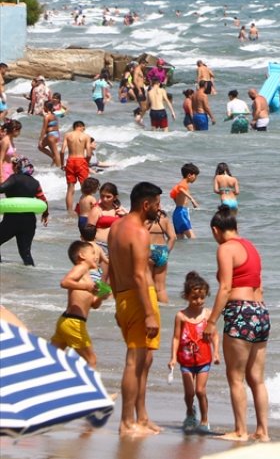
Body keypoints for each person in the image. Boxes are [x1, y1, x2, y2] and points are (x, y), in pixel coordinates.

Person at [205, 206, 270, 442]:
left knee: (235, 377)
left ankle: (240, 430)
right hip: (261, 312)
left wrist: (211, 321)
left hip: (240, 311)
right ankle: (263, 431)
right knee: (257, 379)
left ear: (216, 230)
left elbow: (225, 288)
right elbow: (258, 284)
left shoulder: (225, 248)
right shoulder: (251, 247)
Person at [107, 181, 165, 436]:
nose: (159, 209)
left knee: (145, 360)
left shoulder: (115, 228)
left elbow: (112, 268)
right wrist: (150, 313)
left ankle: (141, 417)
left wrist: (117, 303)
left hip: (124, 299)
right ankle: (126, 422)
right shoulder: (139, 232)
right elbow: (141, 275)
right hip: (141, 300)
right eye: (157, 204)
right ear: (145, 204)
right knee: (134, 361)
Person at [168, 271, 219, 435]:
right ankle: (190, 413)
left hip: (204, 360)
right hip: (186, 361)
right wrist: (173, 357)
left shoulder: (208, 314)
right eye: (195, 298)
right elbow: (176, 338)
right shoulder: (181, 316)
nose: (199, 301)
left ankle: (204, 420)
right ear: (187, 297)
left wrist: (216, 352)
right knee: (189, 393)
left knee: (200, 391)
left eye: (202, 297)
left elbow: (215, 335)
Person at [51, 240, 107, 368]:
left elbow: (93, 304)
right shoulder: (81, 268)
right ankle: (91, 387)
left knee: (52, 357)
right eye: (93, 253)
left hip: (66, 321)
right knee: (91, 360)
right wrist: (87, 286)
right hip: (74, 323)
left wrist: (101, 297)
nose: (96, 256)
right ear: (82, 256)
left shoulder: (86, 274)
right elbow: (64, 282)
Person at [0, 157, 50, 265]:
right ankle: (31, 274)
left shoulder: (15, 178)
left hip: (12, 220)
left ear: (18, 167)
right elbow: (43, 200)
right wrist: (45, 214)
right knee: (25, 253)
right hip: (29, 222)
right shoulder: (35, 182)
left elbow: (1, 188)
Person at [61, 119, 93, 212]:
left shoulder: (67, 135)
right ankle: (85, 209)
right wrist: (86, 162)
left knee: (70, 189)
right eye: (84, 128)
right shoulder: (86, 136)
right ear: (81, 126)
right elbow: (89, 154)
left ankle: (69, 211)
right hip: (81, 160)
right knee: (85, 187)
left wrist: (62, 163)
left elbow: (62, 151)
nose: (84, 129)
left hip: (70, 160)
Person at [146, 208, 176, 303]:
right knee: (161, 288)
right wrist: (166, 252)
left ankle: (151, 308)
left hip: (148, 250)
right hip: (162, 250)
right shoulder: (164, 220)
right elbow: (173, 237)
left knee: (148, 285)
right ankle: (165, 309)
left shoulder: (144, 218)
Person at [170, 163, 200, 240]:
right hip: (182, 213)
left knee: (181, 241)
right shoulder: (183, 183)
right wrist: (192, 199)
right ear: (189, 175)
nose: (196, 178)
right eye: (195, 176)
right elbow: (181, 189)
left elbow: (172, 195)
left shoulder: (180, 184)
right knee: (193, 238)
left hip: (177, 213)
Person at [39, 100, 64, 168]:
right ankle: (56, 165)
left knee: (55, 153)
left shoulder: (47, 116)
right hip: (55, 134)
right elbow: (57, 127)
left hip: (51, 135)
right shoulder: (54, 116)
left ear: (46, 107)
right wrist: (58, 136)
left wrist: (40, 139)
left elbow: (44, 128)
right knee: (42, 148)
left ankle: (59, 167)